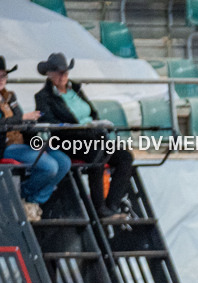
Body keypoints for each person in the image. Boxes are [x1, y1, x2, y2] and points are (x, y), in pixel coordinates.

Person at [34, 53, 133, 220]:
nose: (63, 76)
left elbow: (92, 112)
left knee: (125, 156)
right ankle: (99, 208)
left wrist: (96, 125)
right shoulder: (43, 97)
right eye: (59, 72)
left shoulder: (77, 89)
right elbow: (49, 122)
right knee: (97, 154)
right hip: (69, 140)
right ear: (49, 74)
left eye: (65, 72)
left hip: (92, 136)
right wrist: (80, 128)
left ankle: (112, 205)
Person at [0, 56, 71, 221]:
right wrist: (22, 119)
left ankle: (33, 200)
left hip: (23, 142)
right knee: (49, 166)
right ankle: (24, 195)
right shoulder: (10, 99)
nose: (2, 80)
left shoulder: (9, 96)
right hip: (6, 146)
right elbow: (11, 121)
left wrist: (25, 122)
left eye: (4, 76)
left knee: (63, 162)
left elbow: (17, 119)